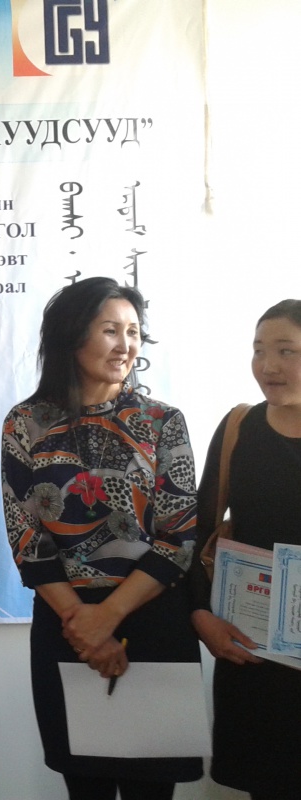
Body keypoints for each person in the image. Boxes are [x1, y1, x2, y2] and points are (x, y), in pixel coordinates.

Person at [0, 277, 201, 800]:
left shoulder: (161, 421)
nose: (125, 345)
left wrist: (105, 619)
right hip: (66, 625)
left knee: (150, 790)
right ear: (72, 336)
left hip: (151, 619)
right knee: (85, 788)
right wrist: (83, 625)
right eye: (110, 330)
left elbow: (178, 538)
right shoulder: (26, 423)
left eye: (133, 332)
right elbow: (28, 539)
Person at [189, 299, 301, 798]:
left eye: (286, 350)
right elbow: (198, 529)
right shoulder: (239, 427)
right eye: (259, 350)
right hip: (254, 651)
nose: (268, 365)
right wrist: (200, 615)